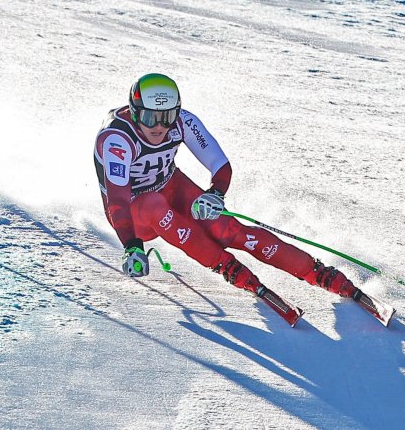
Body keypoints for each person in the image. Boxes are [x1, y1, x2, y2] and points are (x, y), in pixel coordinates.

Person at [94, 73, 368, 326]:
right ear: (134, 111)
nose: (159, 126)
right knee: (154, 205)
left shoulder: (184, 121)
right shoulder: (117, 139)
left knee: (229, 231)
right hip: (133, 213)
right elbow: (117, 201)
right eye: (149, 117)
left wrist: (215, 193)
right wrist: (132, 246)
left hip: (170, 186)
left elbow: (220, 166)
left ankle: (317, 272)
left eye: (166, 117)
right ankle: (227, 266)